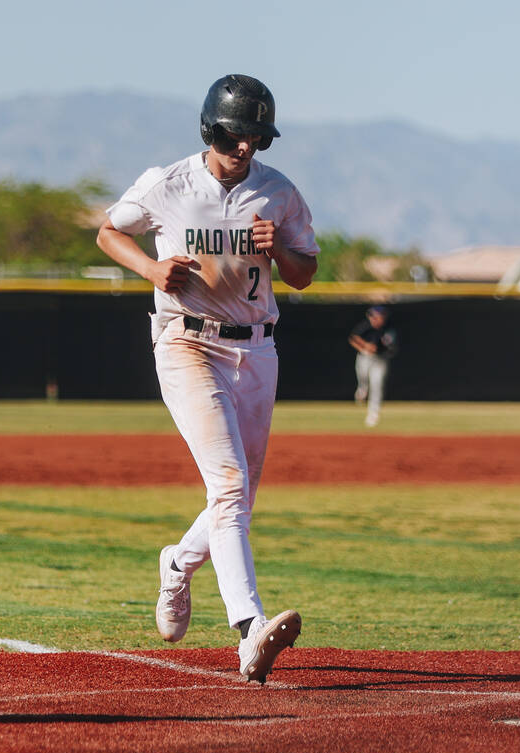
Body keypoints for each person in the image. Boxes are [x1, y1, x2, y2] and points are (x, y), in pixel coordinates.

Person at [96, 74, 319, 683]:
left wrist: (281, 252)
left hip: (258, 352)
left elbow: (304, 274)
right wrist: (149, 266)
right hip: (186, 342)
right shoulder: (169, 184)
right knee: (227, 485)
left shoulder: (277, 193)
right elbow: (108, 229)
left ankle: (176, 565)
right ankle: (249, 630)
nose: (245, 146)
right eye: (235, 134)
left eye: (256, 136)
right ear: (209, 130)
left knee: (239, 493)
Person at [348, 305, 397, 427]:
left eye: (379, 317)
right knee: (363, 378)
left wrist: (377, 349)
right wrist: (365, 347)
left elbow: (391, 348)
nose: (376, 319)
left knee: (377, 384)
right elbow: (353, 338)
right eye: (374, 317)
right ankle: (362, 388)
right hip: (364, 358)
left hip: (380, 360)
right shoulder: (365, 326)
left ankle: (373, 413)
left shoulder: (388, 329)